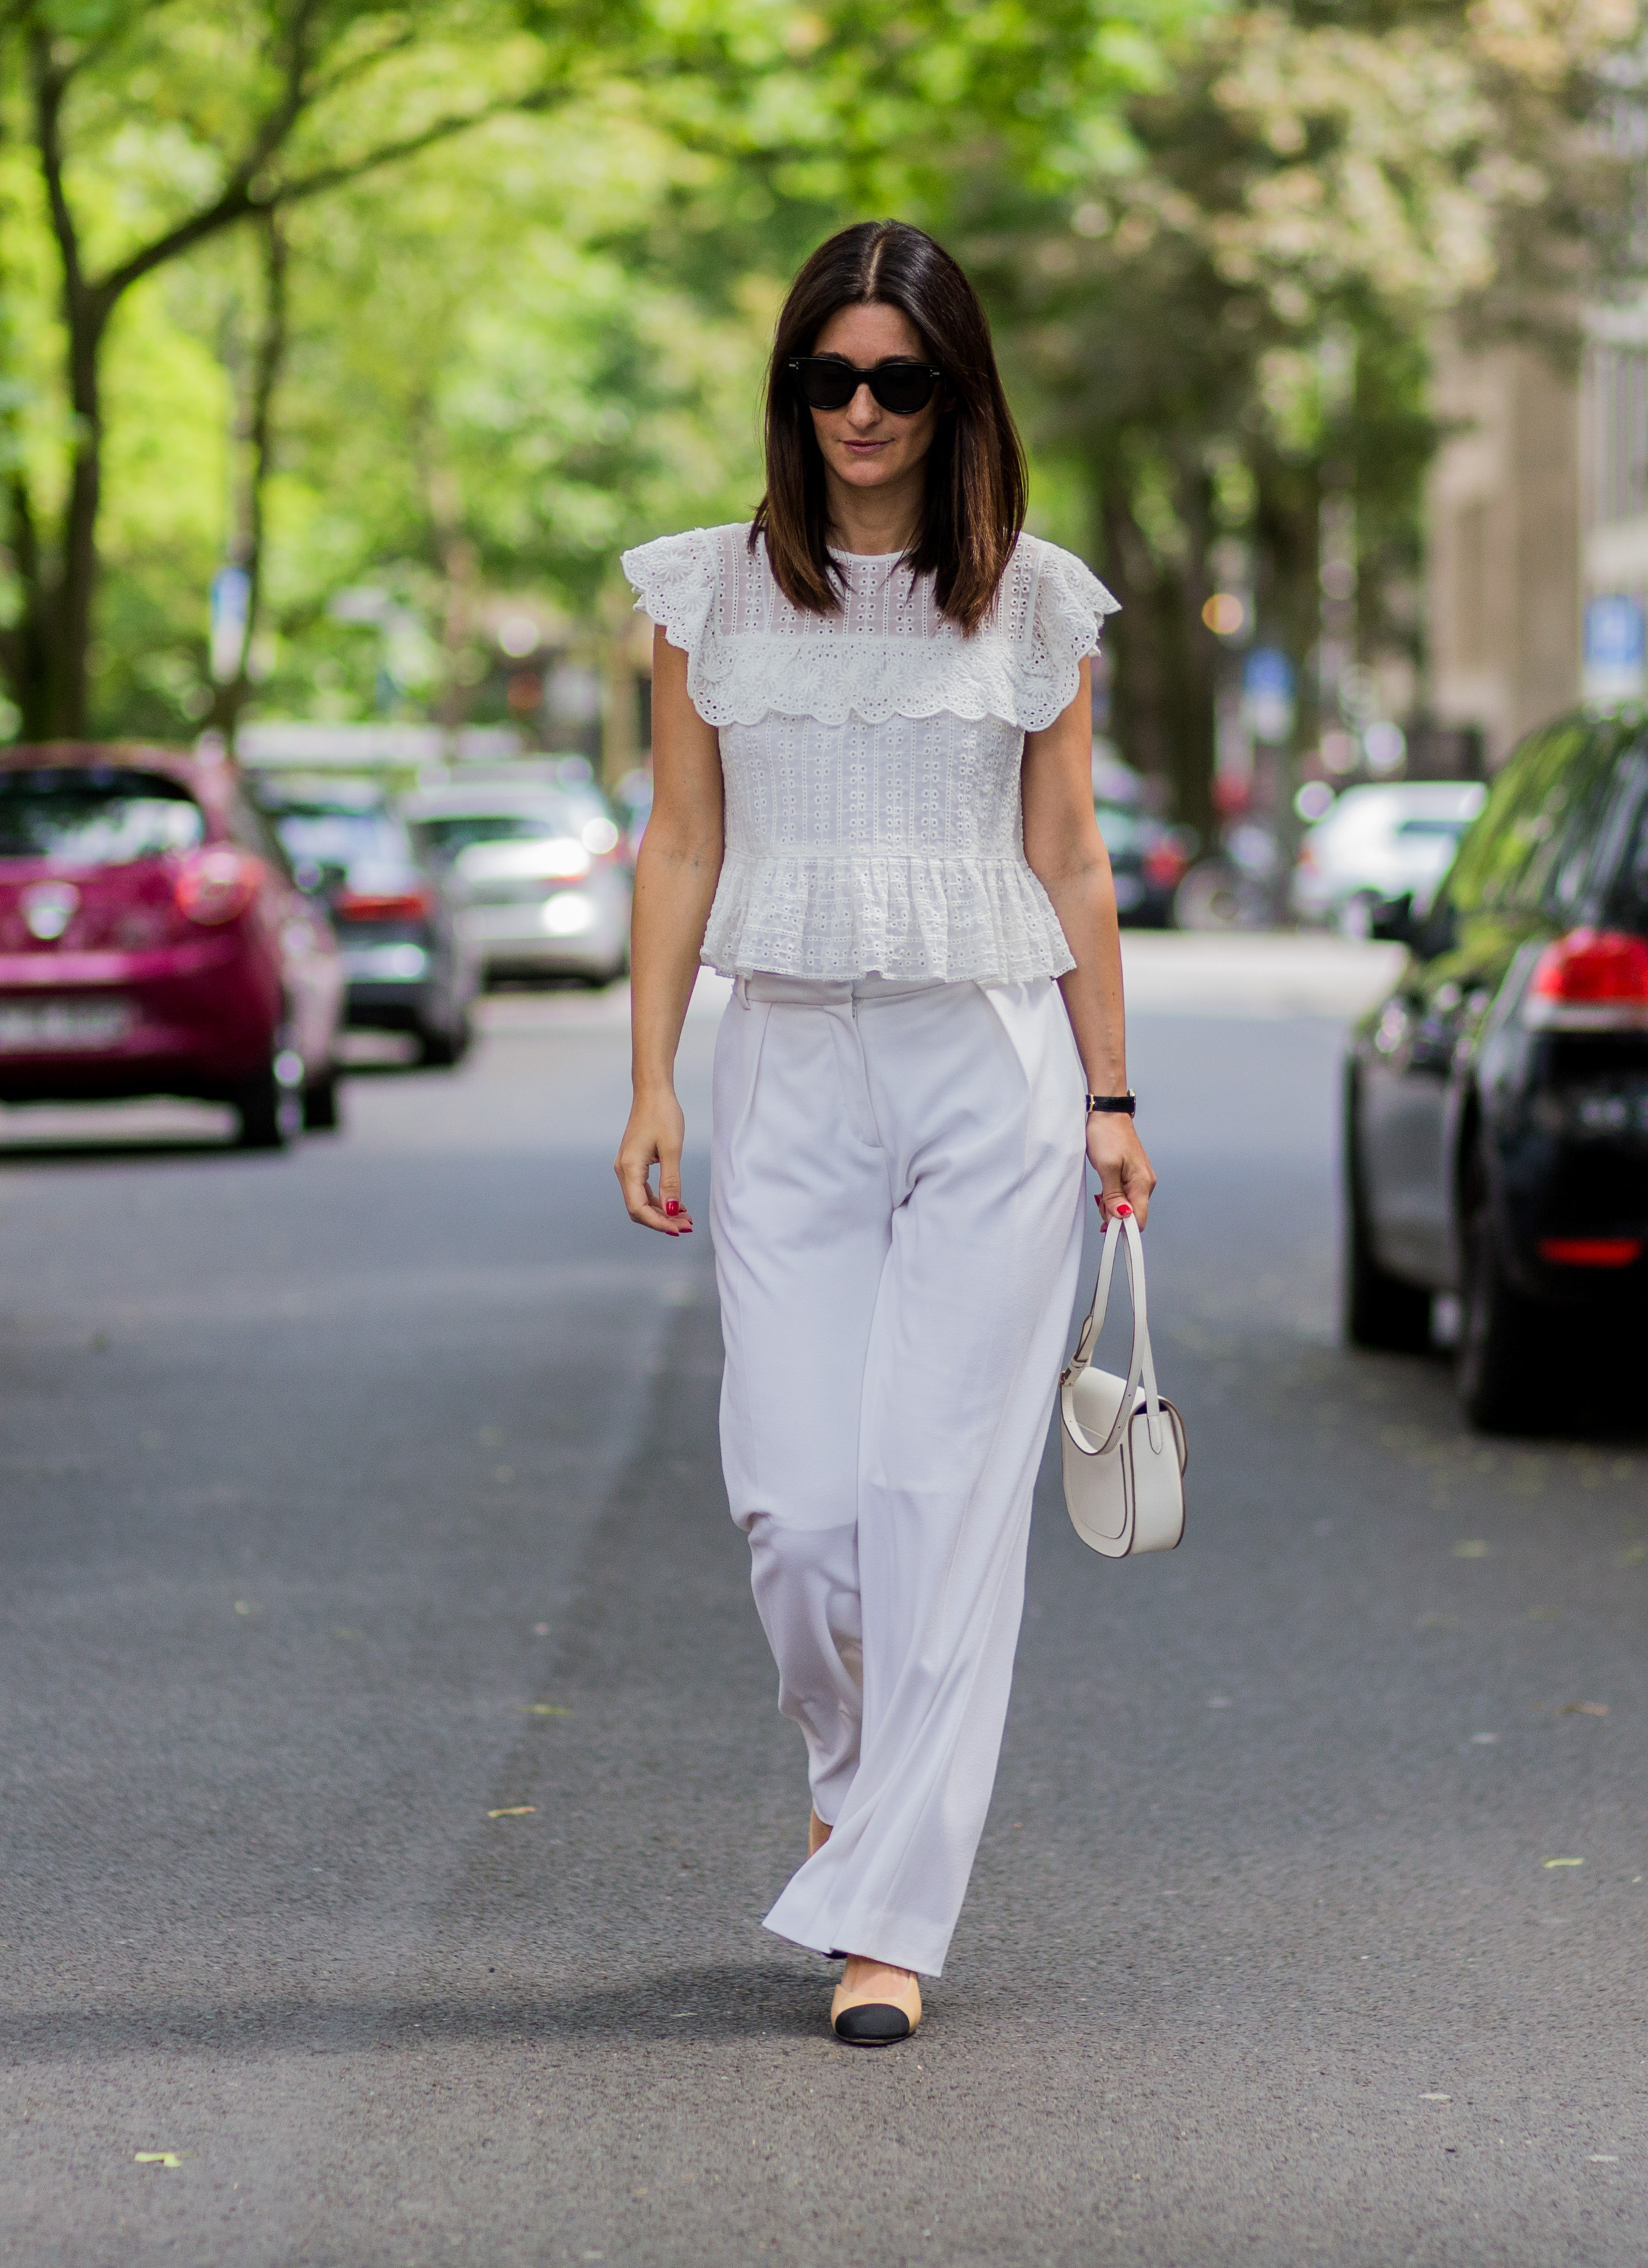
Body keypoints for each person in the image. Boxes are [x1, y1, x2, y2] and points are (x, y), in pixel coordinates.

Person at [613, 219, 1155, 2046]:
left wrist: (1111, 1093)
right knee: (799, 1511)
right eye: (830, 376)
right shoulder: (708, 597)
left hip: (985, 1065)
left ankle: (889, 1928)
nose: (860, 408)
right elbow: (681, 843)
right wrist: (651, 1075)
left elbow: (1069, 859)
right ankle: (854, 1780)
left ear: (953, 395)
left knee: (941, 1504)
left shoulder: (1033, 602)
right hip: (782, 1059)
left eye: (898, 379)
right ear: (794, 390)